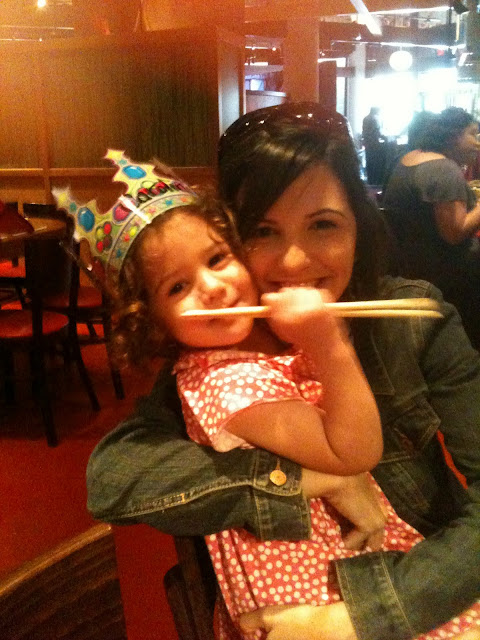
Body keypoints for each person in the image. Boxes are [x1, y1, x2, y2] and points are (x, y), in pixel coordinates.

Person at [85, 104, 480, 640]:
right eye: (263, 231)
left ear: (359, 226)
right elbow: (112, 479)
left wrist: (360, 618)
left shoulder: (413, 319)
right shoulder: (221, 360)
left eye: (323, 224)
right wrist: (311, 478)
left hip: (411, 580)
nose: (294, 262)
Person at [383, 106, 480, 348]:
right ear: (453, 135)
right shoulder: (443, 169)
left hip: (410, 264)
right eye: (473, 134)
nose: (477, 143)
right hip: (447, 274)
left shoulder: (410, 157)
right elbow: (455, 233)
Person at [362, 106, 386, 185]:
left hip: (368, 144)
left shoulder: (366, 118)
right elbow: (379, 133)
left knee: (369, 163)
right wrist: (387, 138)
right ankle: (376, 181)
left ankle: (370, 181)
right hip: (375, 145)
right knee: (376, 164)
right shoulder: (376, 119)